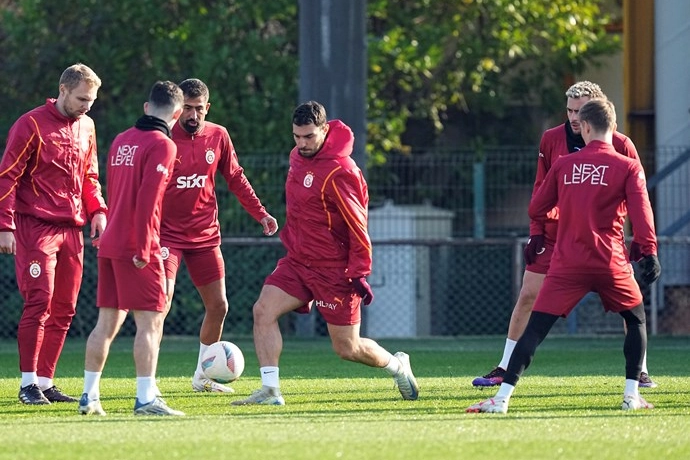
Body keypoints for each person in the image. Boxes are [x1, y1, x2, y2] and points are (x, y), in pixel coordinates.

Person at [467, 98, 661, 414]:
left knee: (535, 329)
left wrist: (564, 214)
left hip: (568, 261)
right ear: (613, 127)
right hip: (610, 260)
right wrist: (648, 250)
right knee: (635, 319)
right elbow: (642, 212)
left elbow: (536, 208)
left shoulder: (564, 165)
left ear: (585, 127)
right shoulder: (628, 166)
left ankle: (501, 399)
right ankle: (631, 395)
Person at [232, 101, 419, 406]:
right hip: (298, 261)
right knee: (263, 311)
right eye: (296, 136)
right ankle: (270, 390)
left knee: (347, 348)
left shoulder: (342, 171)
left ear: (324, 129)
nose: (301, 143)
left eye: (308, 136)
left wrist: (360, 270)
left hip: (334, 269)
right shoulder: (296, 157)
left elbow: (358, 224)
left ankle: (398, 366)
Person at [160, 78, 278, 393]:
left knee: (219, 305)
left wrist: (261, 213)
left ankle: (203, 376)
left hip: (205, 235)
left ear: (207, 108)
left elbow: (235, 177)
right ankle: (147, 383)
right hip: (166, 236)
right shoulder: (162, 136)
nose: (193, 115)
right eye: (187, 108)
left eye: (198, 108)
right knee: (160, 305)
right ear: (177, 108)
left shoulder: (218, 135)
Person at [0, 63, 107, 405]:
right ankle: (27, 383)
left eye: (91, 100)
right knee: (39, 300)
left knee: (65, 308)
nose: (87, 106)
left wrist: (98, 210)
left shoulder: (87, 126)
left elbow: (90, 175)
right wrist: (5, 225)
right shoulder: (30, 124)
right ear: (63, 90)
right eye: (81, 99)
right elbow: (8, 176)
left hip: (72, 228)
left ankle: (45, 382)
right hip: (36, 226)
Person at [78, 81, 185, 416]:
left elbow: (117, 193)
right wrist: (144, 246)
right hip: (138, 245)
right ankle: (145, 398)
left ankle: (89, 396)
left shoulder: (122, 139)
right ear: (177, 115)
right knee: (150, 323)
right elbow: (149, 200)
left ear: (146, 107)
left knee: (106, 324)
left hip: (110, 242)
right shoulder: (164, 145)